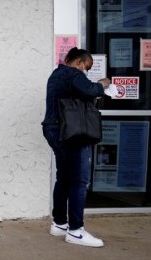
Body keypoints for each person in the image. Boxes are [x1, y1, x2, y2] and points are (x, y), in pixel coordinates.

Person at [42, 47, 111, 248]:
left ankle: (60, 223)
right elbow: (90, 90)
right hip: (71, 132)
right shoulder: (73, 74)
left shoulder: (56, 74)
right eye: (86, 67)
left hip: (54, 129)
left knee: (64, 177)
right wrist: (103, 84)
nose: (85, 71)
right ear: (79, 62)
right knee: (79, 181)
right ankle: (75, 231)